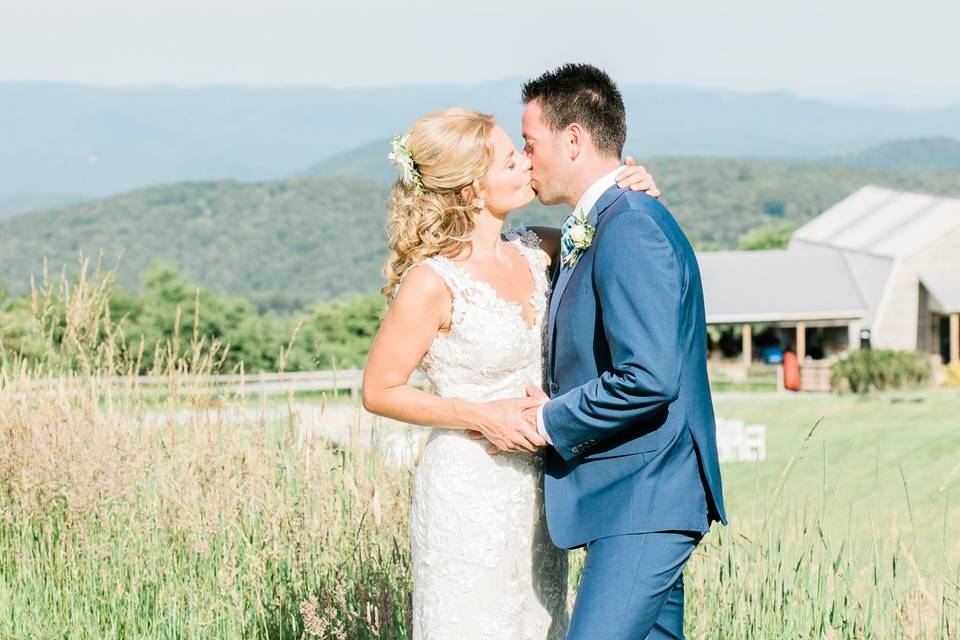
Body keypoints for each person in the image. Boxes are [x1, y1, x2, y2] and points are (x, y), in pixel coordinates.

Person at [361, 106, 659, 639]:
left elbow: (615, 231)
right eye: (509, 160)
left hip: (541, 486)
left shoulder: (539, 249)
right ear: (472, 190)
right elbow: (379, 391)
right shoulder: (432, 282)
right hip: (468, 482)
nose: (527, 162)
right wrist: (480, 415)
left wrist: (630, 186)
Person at [483, 63, 728, 639]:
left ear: (573, 140)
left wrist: (546, 419)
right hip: (631, 496)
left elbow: (648, 377)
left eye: (531, 143)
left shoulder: (629, 227)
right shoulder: (603, 220)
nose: (527, 158)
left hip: (647, 497)